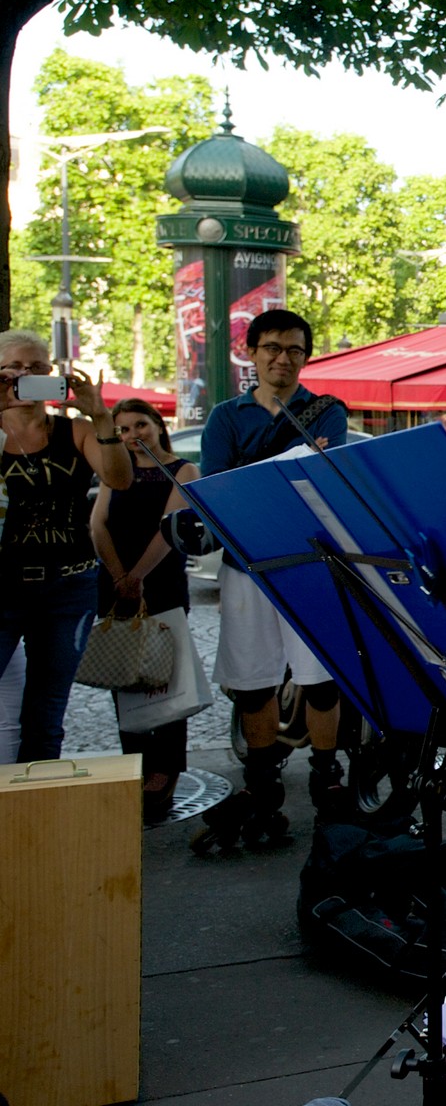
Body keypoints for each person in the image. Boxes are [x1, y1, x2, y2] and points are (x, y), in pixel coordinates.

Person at [193, 309, 349, 852]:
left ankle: (327, 779)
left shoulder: (327, 411)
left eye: (295, 350)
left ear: (306, 357)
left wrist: (260, 478)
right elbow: (217, 491)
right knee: (253, 680)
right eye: (273, 348)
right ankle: (262, 790)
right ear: (253, 352)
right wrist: (288, 467)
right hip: (246, 563)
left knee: (322, 677)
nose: (283, 359)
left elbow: (323, 482)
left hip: (309, 560)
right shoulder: (225, 417)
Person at [0, 329, 133, 761]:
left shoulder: (74, 431)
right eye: (14, 368)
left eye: (38, 367)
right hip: (3, 584)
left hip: (68, 587)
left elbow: (120, 479)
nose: (25, 375)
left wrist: (101, 418)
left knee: (46, 711)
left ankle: (37, 813)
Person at [89, 398, 200, 825]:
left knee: (164, 681)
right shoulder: (113, 469)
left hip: (162, 584)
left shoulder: (183, 469)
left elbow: (170, 529)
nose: (133, 435)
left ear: (158, 425)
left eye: (141, 425)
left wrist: (137, 576)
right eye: (122, 429)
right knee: (126, 679)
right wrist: (119, 577)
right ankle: (134, 761)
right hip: (117, 586)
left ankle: (166, 766)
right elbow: (98, 524)